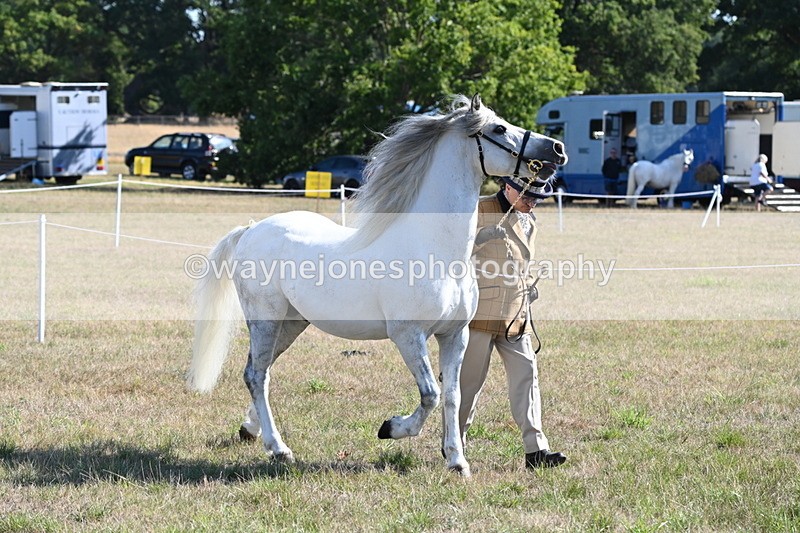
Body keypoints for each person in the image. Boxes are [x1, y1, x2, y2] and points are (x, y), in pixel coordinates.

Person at [458, 177, 566, 470]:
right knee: (468, 384)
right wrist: (478, 240)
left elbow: (520, 261)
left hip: (516, 312)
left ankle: (536, 450)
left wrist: (529, 285)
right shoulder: (479, 210)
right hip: (481, 312)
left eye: (537, 198)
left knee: (527, 376)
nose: (532, 202)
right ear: (508, 187)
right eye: (528, 196)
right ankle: (455, 444)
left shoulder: (528, 218)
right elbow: (454, 255)